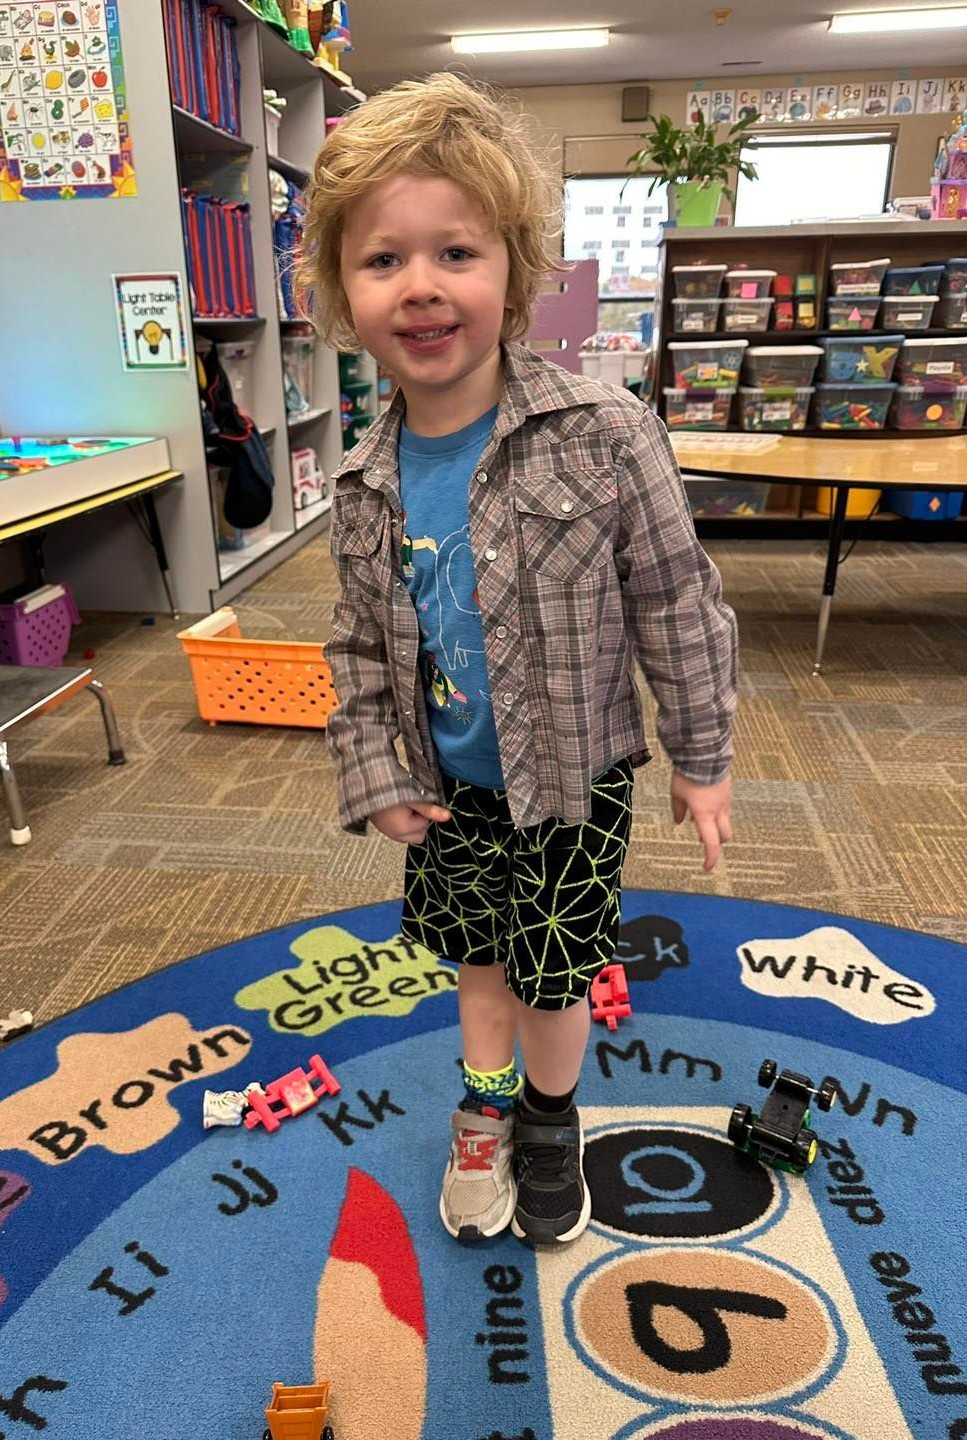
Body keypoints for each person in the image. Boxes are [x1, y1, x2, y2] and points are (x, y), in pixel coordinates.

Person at [295, 72, 737, 1247]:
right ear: (343, 292)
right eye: (384, 260)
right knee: (476, 968)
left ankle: (552, 1117)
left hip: (576, 782)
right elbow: (354, 645)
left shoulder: (605, 433)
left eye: (457, 252)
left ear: (515, 271)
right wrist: (375, 771)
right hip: (450, 789)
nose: (424, 285)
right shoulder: (359, 483)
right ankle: (484, 1115)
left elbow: (677, 601)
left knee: (551, 976)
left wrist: (702, 758)